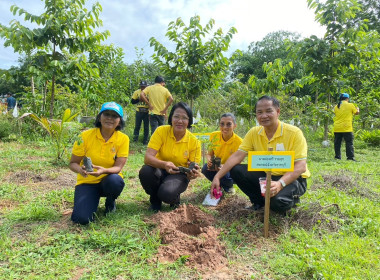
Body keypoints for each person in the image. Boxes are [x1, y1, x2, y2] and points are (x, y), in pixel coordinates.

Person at [211, 96, 310, 213]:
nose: (264, 116)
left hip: (292, 178)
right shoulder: (254, 133)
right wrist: (217, 176)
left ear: (278, 112)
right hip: (266, 175)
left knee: (277, 203)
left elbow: (300, 166)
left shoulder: (294, 133)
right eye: (259, 112)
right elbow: (238, 156)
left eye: (268, 111)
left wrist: (280, 184)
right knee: (236, 169)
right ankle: (258, 202)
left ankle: (290, 199)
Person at [69, 102, 129, 225]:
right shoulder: (85, 136)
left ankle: (110, 200)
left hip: (108, 180)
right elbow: (73, 163)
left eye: (114, 116)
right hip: (87, 182)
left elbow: (118, 167)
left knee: (115, 181)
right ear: (99, 117)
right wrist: (81, 170)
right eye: (106, 114)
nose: (110, 118)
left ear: (119, 121)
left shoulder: (123, 139)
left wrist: (104, 170)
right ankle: (90, 201)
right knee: (82, 219)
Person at [139, 102, 201, 212]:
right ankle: (155, 200)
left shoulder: (194, 142)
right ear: (171, 117)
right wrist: (164, 164)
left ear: (189, 121)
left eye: (184, 118)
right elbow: (148, 158)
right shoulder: (161, 131)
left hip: (179, 174)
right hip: (159, 169)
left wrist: (193, 173)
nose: (180, 121)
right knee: (146, 171)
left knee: (167, 194)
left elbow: (193, 167)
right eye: (176, 116)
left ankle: (173, 198)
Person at [201, 113, 243, 194]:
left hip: (230, 169)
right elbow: (209, 154)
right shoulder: (214, 135)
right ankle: (218, 185)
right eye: (222, 124)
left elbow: (238, 163)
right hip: (217, 165)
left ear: (235, 126)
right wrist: (209, 160)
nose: (225, 127)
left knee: (227, 175)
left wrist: (225, 167)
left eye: (228, 124)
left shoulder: (239, 142)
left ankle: (228, 186)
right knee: (205, 169)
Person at [333, 93, 359, 161]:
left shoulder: (336, 106)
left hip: (337, 127)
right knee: (349, 143)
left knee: (337, 143)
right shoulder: (350, 105)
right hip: (347, 128)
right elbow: (356, 113)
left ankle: (337, 157)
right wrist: (358, 109)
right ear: (347, 98)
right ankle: (350, 158)